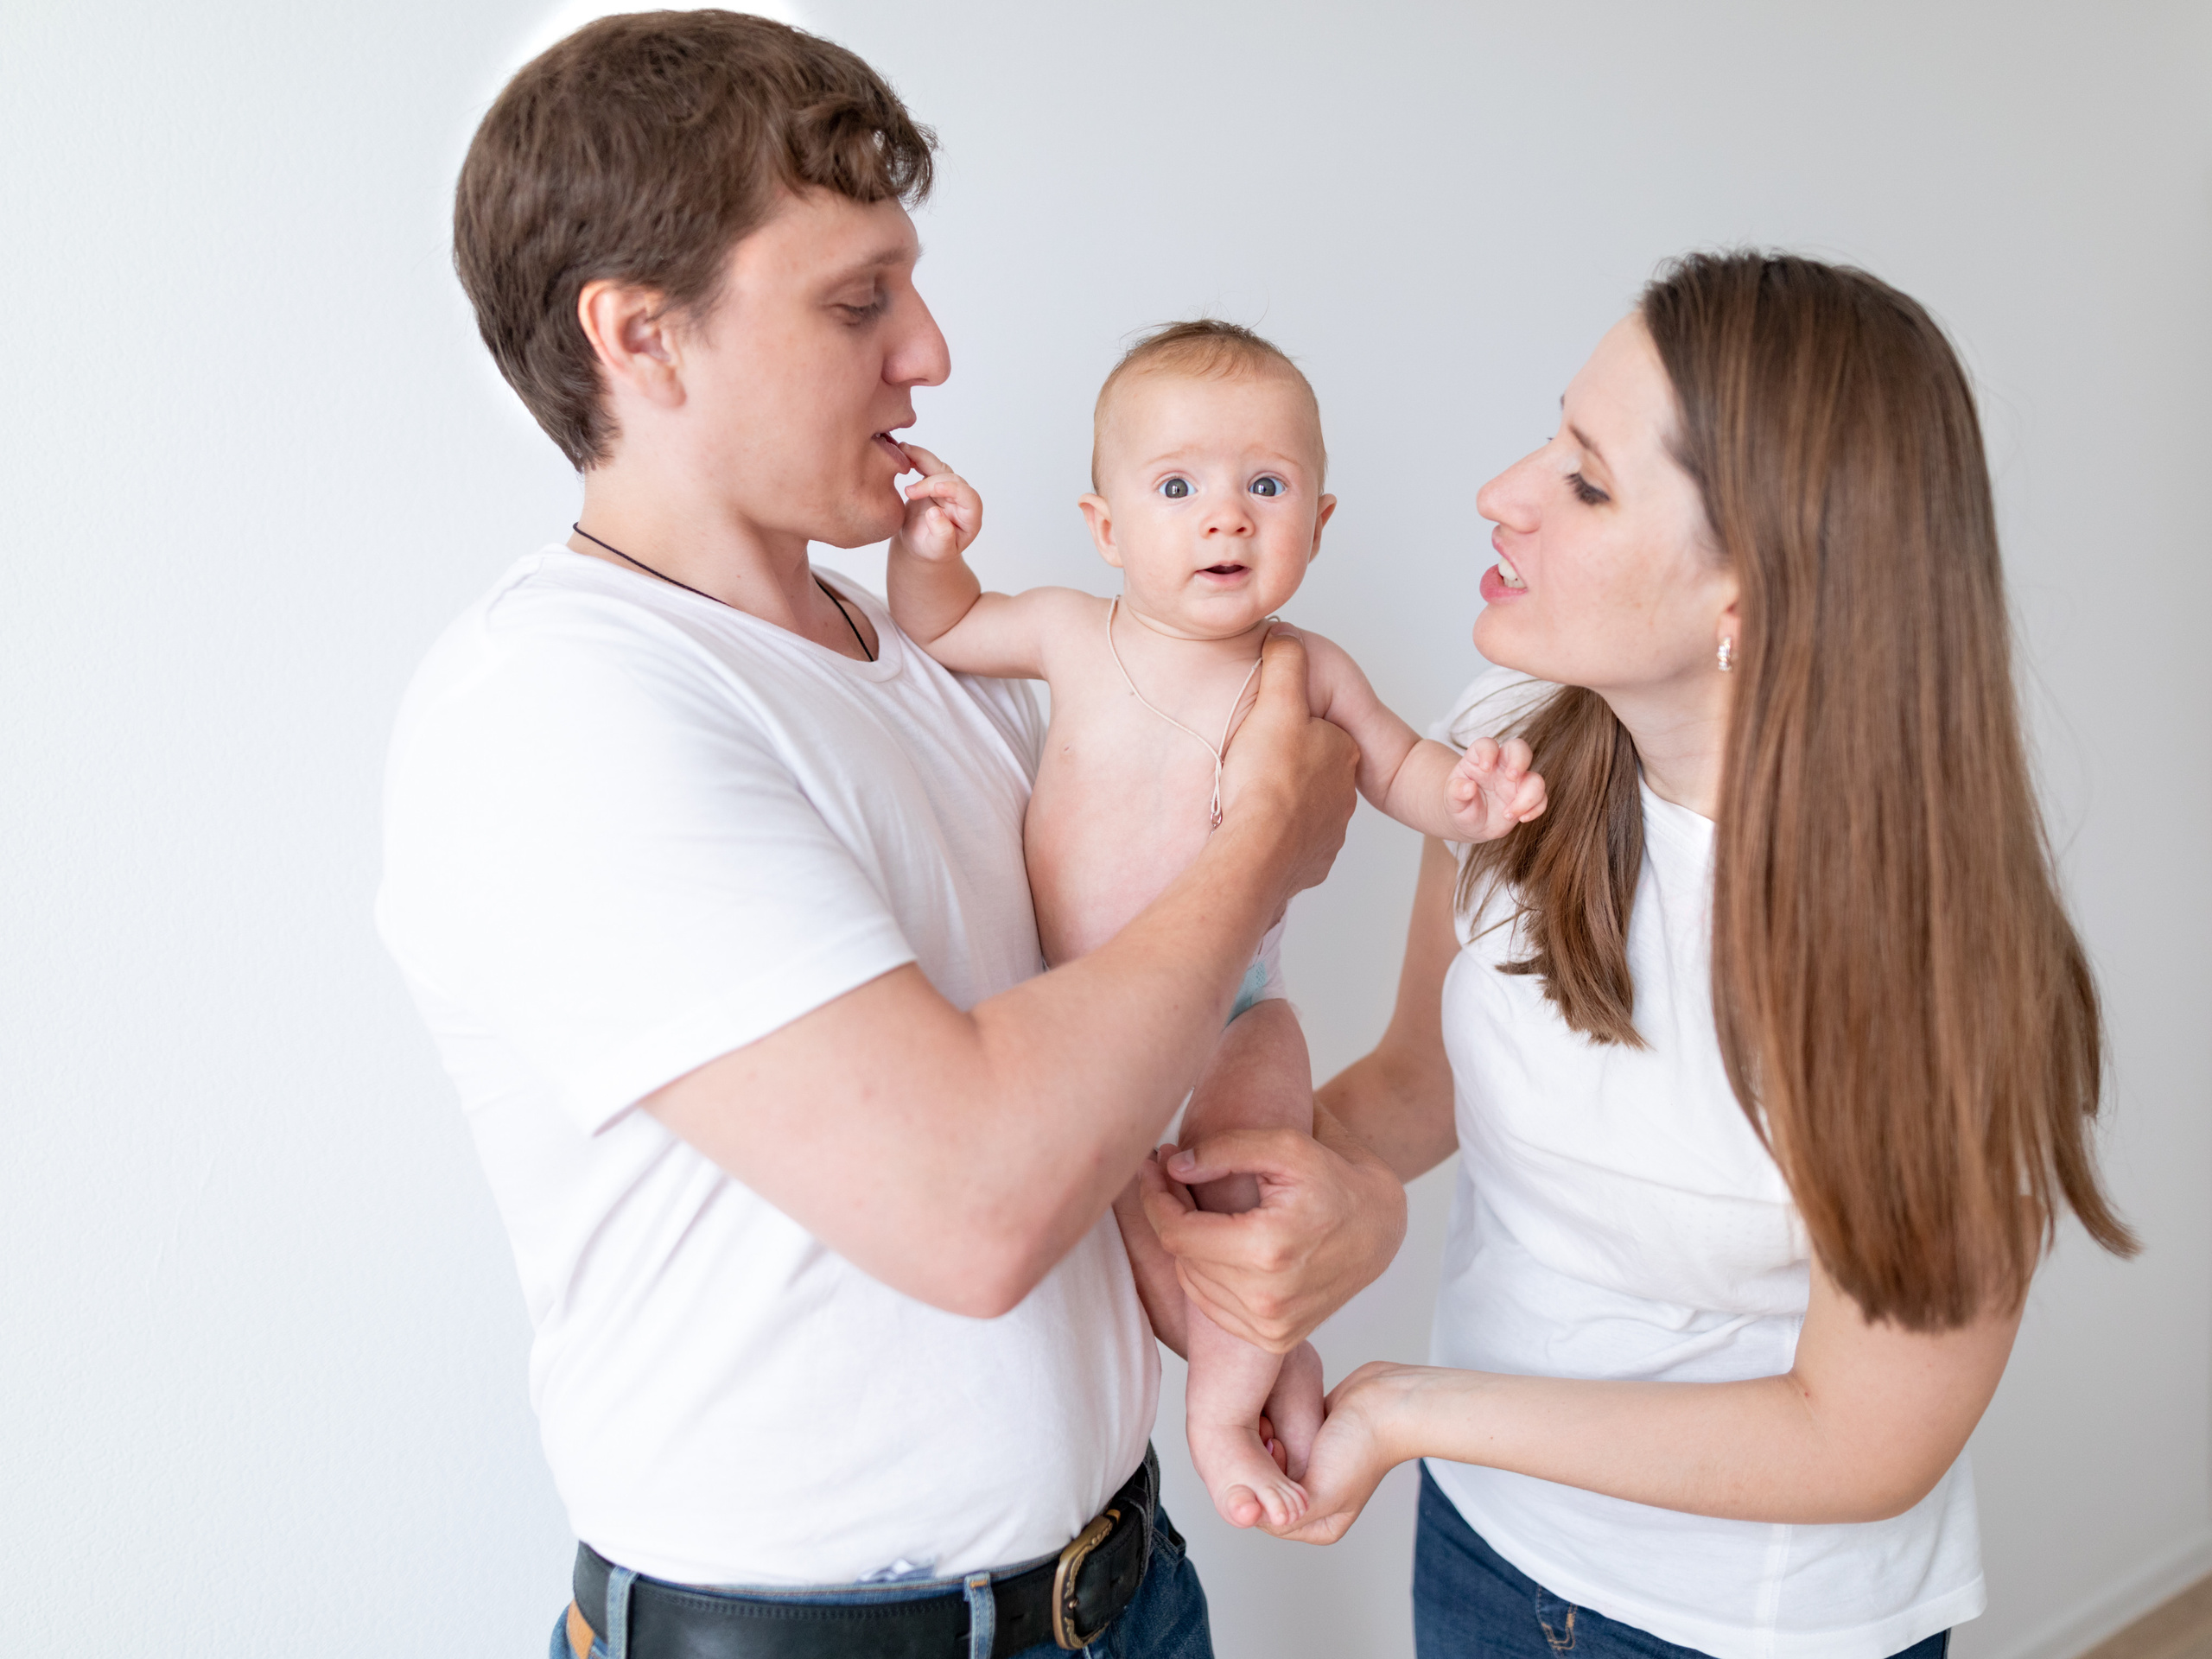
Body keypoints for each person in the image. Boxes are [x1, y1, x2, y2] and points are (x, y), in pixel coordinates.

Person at [375, 14, 1403, 1659]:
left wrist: (1330, 1215)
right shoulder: (561, 710)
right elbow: (978, 1204)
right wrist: (1267, 838)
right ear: (642, 338)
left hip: (1123, 1591)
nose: (928, 349)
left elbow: (1105, 1099)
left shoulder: (929, 660)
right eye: (859, 301)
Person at [1137, 251, 2138, 1659]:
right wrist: (1260, 1193)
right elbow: (1427, 1081)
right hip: (1485, 1550)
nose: (1505, 492)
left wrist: (1411, 1407)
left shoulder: (1936, 973)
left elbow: (1861, 1441)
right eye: (1553, 435)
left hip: (1748, 1628)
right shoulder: (1510, 750)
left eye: (1586, 481)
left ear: (1752, 597)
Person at [882, 320, 1548, 1534]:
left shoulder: (1307, 666)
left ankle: (1217, 1417)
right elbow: (944, 625)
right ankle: (1257, 1367)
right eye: (1179, 487)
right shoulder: (1071, 633)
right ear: (1106, 529)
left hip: (1241, 1006)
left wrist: (1472, 793)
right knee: (1150, 1249)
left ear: (1319, 521)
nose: (1226, 517)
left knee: (1252, 1179)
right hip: (1084, 1016)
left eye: (1267, 486)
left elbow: (1401, 771)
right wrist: (929, 550)